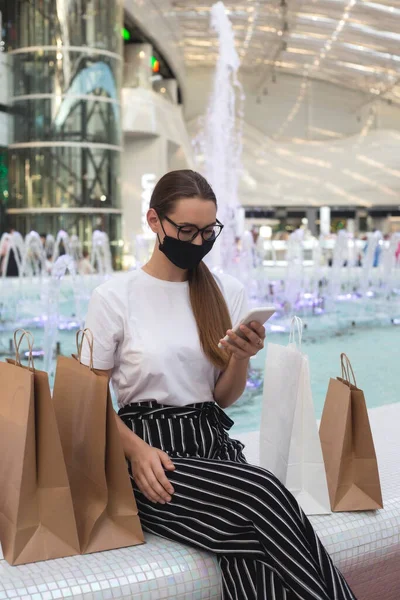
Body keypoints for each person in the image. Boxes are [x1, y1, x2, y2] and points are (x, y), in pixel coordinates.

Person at [82, 170, 355, 600]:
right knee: (264, 490)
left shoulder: (227, 291)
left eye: (207, 232)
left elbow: (224, 397)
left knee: (252, 560)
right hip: (151, 457)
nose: (197, 243)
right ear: (154, 221)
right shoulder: (115, 297)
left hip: (212, 445)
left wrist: (241, 356)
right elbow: (88, 401)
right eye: (186, 230)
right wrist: (135, 452)